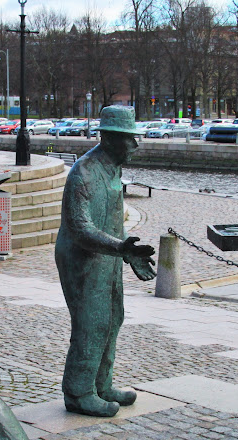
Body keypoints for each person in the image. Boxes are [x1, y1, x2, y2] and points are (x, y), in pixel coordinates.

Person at [55, 105, 157, 417]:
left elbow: (114, 217)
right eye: (130, 140)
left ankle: (102, 384)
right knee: (92, 323)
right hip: (82, 258)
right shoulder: (83, 173)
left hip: (109, 252)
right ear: (111, 139)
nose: (135, 146)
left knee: (114, 317)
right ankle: (79, 392)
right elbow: (80, 229)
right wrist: (120, 247)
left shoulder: (113, 170)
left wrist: (128, 253)